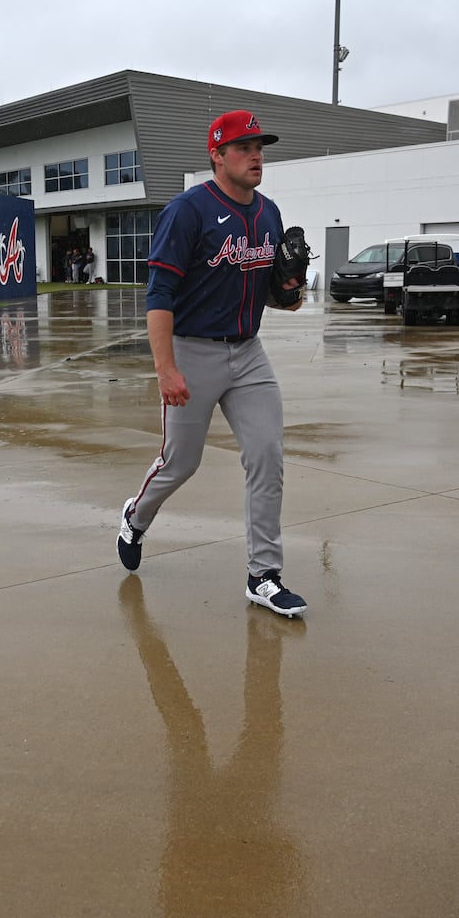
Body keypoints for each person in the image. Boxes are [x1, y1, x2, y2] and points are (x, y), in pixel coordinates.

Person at [116, 110, 308, 617]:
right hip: (192, 351)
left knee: (267, 455)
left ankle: (263, 575)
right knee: (182, 462)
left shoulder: (269, 214)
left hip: (249, 354)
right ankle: (136, 515)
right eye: (243, 147)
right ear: (217, 156)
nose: (256, 155)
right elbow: (159, 294)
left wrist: (289, 290)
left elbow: (271, 296)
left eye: (259, 146)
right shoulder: (188, 211)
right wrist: (166, 369)